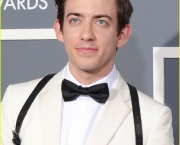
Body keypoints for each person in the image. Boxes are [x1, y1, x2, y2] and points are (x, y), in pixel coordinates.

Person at [2, 0, 174, 144]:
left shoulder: (152, 119)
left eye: (101, 22)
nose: (86, 35)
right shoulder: (16, 101)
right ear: (59, 29)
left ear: (121, 34)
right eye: (75, 20)